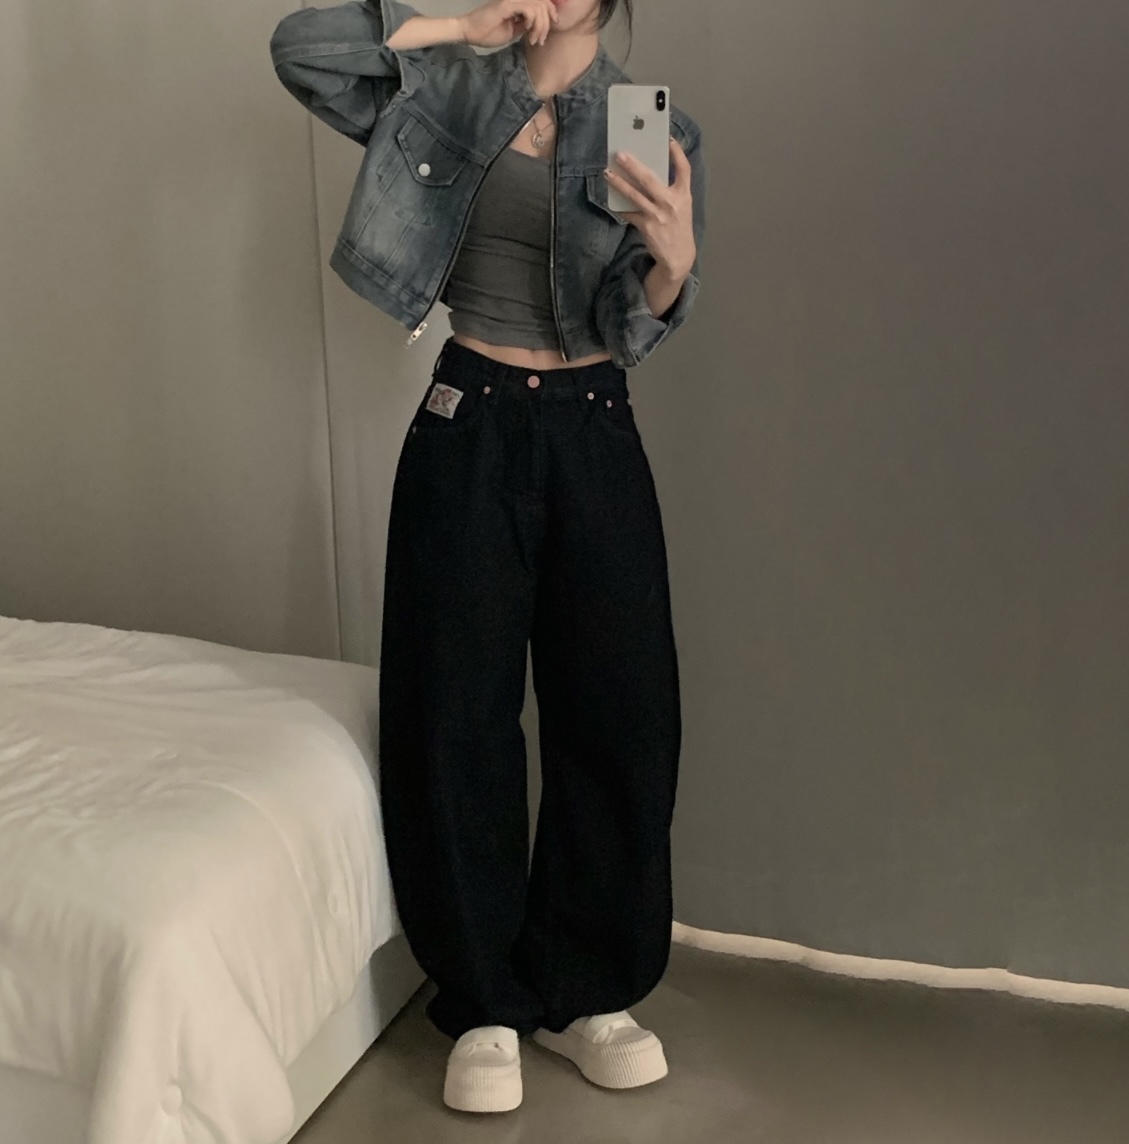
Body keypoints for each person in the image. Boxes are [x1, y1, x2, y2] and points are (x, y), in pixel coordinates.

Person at [269, 0, 705, 1114]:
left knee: (621, 713)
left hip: (594, 427)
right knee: (453, 712)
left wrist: (672, 269)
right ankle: (484, 1000)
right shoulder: (450, 85)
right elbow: (301, 50)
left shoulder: (644, 122)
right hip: (468, 417)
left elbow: (630, 319)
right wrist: (456, 25)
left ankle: (589, 987)